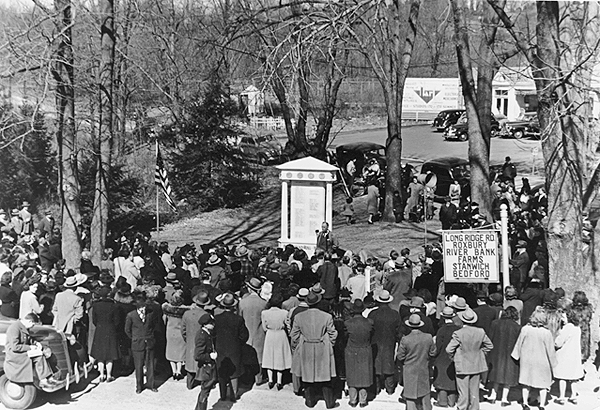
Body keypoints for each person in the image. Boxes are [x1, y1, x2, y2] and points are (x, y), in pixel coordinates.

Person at [291, 291, 338, 409]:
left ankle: (310, 401)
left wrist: (296, 347)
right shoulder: (327, 316)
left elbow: (294, 335)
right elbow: (333, 334)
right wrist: (329, 344)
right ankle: (329, 402)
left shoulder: (299, 317)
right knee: (325, 376)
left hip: (306, 346)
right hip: (322, 346)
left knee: (307, 375)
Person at [446, 309, 493, 410]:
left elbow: (449, 349)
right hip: (476, 364)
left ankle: (462, 408)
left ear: (463, 320)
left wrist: (454, 357)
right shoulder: (480, 331)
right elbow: (490, 346)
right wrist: (480, 352)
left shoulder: (458, 333)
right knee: (474, 391)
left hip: (462, 365)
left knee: (463, 391)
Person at [511, 306, 557, 410]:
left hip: (527, 360)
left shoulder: (525, 329)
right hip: (542, 360)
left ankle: (525, 403)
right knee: (543, 383)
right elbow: (550, 350)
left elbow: (519, 343)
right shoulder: (546, 333)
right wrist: (553, 363)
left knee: (526, 382)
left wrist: (516, 355)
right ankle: (541, 405)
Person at [5, 313, 57, 388]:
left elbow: (28, 339)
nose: (33, 327)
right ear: (29, 321)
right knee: (38, 356)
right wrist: (30, 347)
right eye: (33, 324)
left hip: (21, 351)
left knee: (41, 354)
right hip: (15, 354)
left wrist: (36, 343)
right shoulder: (14, 328)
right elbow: (15, 347)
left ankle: (47, 378)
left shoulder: (22, 327)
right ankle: (44, 379)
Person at [397, 313, 437, 410]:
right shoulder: (428, 337)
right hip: (423, 367)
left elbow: (400, 356)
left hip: (409, 369)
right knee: (425, 391)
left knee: (410, 394)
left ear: (409, 325)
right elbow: (433, 353)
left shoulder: (405, 339)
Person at [214, 293, 249, 402]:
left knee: (222, 371)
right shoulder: (238, 319)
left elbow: (213, 334)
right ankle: (233, 395)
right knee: (235, 372)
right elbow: (244, 335)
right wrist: (239, 343)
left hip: (220, 347)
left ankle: (223, 395)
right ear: (233, 306)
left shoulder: (217, 318)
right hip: (234, 348)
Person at [125, 292, 160, 394]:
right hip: (137, 343)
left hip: (149, 342)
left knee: (150, 365)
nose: (143, 309)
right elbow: (127, 330)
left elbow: (153, 326)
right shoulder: (131, 315)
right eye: (141, 308)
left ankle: (151, 384)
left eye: (144, 307)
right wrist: (135, 338)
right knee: (138, 366)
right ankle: (139, 386)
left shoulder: (150, 314)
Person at [486, 306, 521, 406]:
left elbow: (490, 338)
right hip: (510, 353)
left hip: (496, 353)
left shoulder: (495, 323)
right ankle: (504, 399)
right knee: (508, 376)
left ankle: (493, 395)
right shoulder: (517, 327)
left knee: (495, 374)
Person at [368, 290, 400, 395]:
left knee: (376, 364)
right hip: (390, 342)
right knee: (389, 363)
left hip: (375, 341)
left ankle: (376, 388)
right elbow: (398, 330)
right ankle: (389, 389)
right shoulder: (395, 314)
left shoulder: (372, 314)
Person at [344, 299, 374, 407]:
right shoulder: (369, 322)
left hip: (352, 350)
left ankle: (353, 400)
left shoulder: (347, 323)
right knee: (364, 375)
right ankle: (363, 400)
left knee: (352, 374)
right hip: (365, 349)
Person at [182, 290, 213, 389]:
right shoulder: (206, 316)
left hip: (190, 341)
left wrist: (187, 339)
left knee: (190, 363)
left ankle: (190, 384)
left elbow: (183, 330)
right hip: (202, 341)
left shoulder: (187, 314)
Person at [239, 277, 267, 385]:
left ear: (249, 289)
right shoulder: (263, 303)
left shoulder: (242, 303)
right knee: (259, 356)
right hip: (259, 332)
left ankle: (246, 378)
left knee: (245, 354)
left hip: (246, 331)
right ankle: (258, 378)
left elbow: (239, 317)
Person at [261, 292, 292, 390]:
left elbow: (264, 327)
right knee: (280, 357)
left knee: (269, 357)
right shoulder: (284, 313)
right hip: (281, 334)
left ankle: (270, 380)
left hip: (270, 334)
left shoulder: (264, 313)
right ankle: (279, 381)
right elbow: (288, 326)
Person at [554, 309, 583, 405]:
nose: (562, 319)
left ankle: (562, 397)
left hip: (564, 355)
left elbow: (558, 343)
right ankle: (573, 395)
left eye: (563, 317)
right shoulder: (577, 328)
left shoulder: (567, 328)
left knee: (563, 376)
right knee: (573, 377)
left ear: (569, 317)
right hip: (574, 355)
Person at [91, 286, 120, 383]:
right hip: (110, 329)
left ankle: (101, 375)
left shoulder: (96, 305)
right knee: (110, 354)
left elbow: (94, 320)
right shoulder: (114, 305)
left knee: (100, 353)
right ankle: (109, 375)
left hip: (99, 329)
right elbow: (117, 321)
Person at [433, 307, 460, 408]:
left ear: (443, 317)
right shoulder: (458, 329)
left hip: (442, 357)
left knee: (442, 379)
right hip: (453, 357)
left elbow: (438, 346)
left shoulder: (441, 330)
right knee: (452, 379)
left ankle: (442, 402)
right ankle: (452, 401)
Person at [162, 290, 190, 381]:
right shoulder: (185, 310)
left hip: (170, 332)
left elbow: (164, 319)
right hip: (180, 333)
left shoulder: (167, 308)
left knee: (171, 352)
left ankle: (173, 371)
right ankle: (178, 371)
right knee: (180, 352)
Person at [194, 313, 218, 410]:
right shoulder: (202, 336)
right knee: (205, 392)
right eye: (211, 323)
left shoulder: (207, 333)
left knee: (204, 391)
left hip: (208, 367)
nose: (213, 325)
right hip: (206, 369)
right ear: (205, 324)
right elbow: (197, 355)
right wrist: (210, 356)